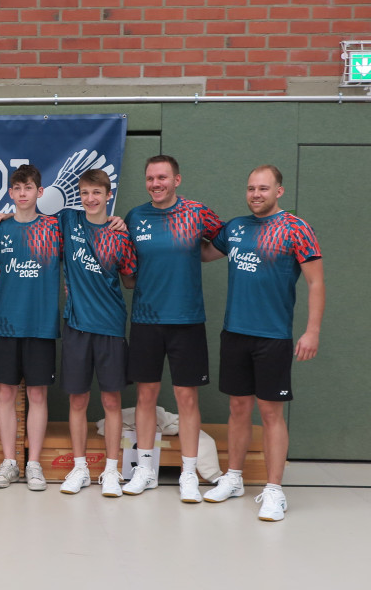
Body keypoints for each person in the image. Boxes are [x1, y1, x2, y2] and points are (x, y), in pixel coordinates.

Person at [200, 165, 324, 522]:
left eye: (263, 188)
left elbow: (316, 283)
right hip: (235, 333)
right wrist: (187, 227)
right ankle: (234, 478)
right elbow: (205, 254)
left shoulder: (296, 228)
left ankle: (273, 490)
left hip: (273, 336)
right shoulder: (236, 228)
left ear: (278, 191)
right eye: (251, 188)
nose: (256, 194)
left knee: (270, 413)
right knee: (238, 408)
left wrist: (312, 331)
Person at [122, 155, 224, 502]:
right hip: (146, 319)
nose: (156, 184)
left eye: (162, 177)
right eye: (150, 178)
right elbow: (128, 272)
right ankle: (144, 470)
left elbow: (223, 242)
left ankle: (189, 473)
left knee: (187, 398)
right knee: (145, 396)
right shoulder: (135, 217)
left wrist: (197, 255)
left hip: (187, 320)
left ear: (176, 180)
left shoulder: (197, 213)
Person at [0, 164, 61, 491]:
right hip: (6, 324)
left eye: (29, 188)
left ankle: (34, 464)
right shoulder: (1, 229)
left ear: (40, 192)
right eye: (17, 188)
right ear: (11, 193)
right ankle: (10, 462)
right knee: (6, 393)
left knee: (38, 394)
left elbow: (91, 225)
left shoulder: (55, 227)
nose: (23, 193)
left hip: (41, 324)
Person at [57, 170, 137, 497]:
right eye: (85, 193)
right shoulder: (68, 220)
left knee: (111, 400)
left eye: (96, 193)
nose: (90, 199)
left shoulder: (120, 236)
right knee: (78, 399)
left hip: (110, 326)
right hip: (76, 325)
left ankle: (112, 471)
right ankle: (79, 468)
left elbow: (129, 281)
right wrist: (5, 216)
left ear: (108, 195)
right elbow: (29, 220)